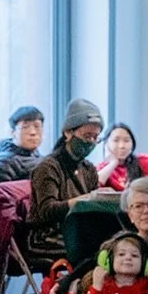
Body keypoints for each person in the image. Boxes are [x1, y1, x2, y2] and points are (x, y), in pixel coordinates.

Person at [26, 98, 103, 268]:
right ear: (68, 133)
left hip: (78, 230)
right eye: (86, 136)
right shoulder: (48, 167)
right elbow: (47, 210)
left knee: (118, 245)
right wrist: (85, 200)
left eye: (95, 137)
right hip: (46, 236)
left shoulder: (88, 169)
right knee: (95, 250)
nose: (91, 141)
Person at [0, 105, 44, 214]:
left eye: (37, 126)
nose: (33, 132)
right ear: (13, 132)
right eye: (25, 127)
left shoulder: (41, 159)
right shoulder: (3, 163)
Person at [96, 123, 148, 192]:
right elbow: (94, 186)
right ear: (106, 143)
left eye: (126, 140)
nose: (122, 146)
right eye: (116, 140)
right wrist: (113, 163)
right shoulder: (103, 168)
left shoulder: (146, 161)